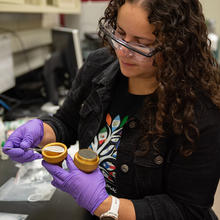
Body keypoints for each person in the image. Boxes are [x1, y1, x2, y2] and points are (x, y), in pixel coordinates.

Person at [3, 0, 220, 219]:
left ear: (176, 45)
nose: (123, 51)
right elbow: (67, 122)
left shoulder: (201, 109)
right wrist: (42, 131)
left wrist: (106, 206)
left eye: (141, 43)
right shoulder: (100, 65)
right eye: (120, 33)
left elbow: (188, 210)